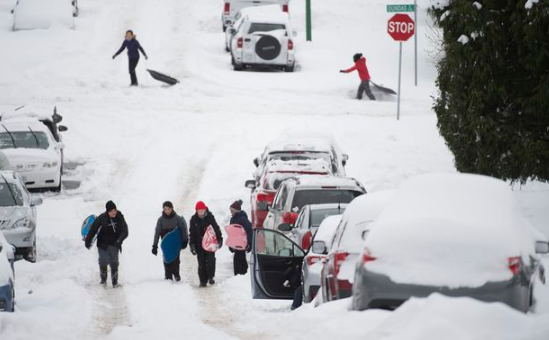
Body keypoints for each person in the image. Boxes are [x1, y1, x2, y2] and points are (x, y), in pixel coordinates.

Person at [85, 201, 129, 288]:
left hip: (114, 243)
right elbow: (93, 229)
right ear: (107, 211)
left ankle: (115, 283)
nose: (113, 212)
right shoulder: (101, 218)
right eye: (111, 211)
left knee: (114, 263)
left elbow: (125, 230)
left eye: (115, 210)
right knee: (103, 261)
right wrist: (88, 240)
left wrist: (119, 240)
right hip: (102, 244)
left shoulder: (119, 216)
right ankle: (103, 281)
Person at [152, 201, 189, 281]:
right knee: (167, 259)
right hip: (166, 244)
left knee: (176, 259)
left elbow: (183, 230)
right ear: (163, 209)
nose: (167, 211)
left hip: (176, 243)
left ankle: (176, 274)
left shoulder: (177, 218)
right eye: (165, 209)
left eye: (169, 209)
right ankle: (168, 276)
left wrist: (185, 240)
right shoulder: (160, 220)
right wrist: (154, 245)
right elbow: (157, 233)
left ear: (172, 209)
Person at [189, 201, 223, 287]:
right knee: (201, 263)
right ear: (196, 210)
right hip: (199, 245)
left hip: (210, 243)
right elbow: (192, 233)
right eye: (199, 210)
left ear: (205, 209)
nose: (200, 212)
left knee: (211, 261)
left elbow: (216, 229)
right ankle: (203, 281)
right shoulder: (193, 220)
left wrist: (219, 239)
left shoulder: (210, 218)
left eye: (202, 210)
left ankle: (211, 277)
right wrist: (192, 245)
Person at [228, 200, 253, 276]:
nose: (230, 212)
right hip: (236, 244)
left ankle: (239, 275)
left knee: (238, 259)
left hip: (242, 243)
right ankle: (243, 274)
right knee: (240, 258)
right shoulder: (233, 219)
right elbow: (231, 233)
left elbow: (249, 230)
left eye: (232, 210)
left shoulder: (243, 219)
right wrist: (231, 244)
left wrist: (250, 243)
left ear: (236, 211)